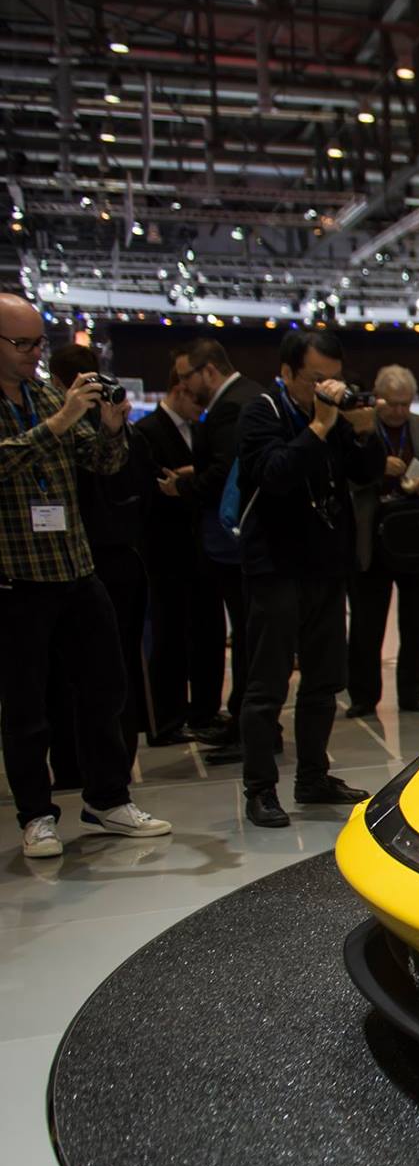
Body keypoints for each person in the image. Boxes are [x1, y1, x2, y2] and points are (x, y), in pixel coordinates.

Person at [0, 293, 171, 858]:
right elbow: (6, 462)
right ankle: (36, 814)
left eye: (37, 344)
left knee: (106, 686)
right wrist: (65, 417)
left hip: (75, 567)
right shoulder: (51, 405)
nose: (32, 355)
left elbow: (101, 463)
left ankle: (107, 798)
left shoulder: (47, 394)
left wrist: (112, 427)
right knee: (26, 705)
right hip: (15, 577)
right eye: (21, 345)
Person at [234, 330, 384, 828]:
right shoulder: (262, 412)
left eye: (333, 380)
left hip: (326, 564)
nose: (327, 389)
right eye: (316, 379)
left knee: (324, 681)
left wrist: (363, 431)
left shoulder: (335, 414)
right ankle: (259, 787)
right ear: (287, 372)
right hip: (276, 566)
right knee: (267, 684)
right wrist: (320, 426)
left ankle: (313, 776)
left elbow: (367, 474)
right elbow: (272, 475)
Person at [45, 346, 153, 772]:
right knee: (111, 668)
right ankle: (110, 764)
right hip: (111, 560)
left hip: (87, 563)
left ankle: (83, 765)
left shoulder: (98, 433)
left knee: (81, 671)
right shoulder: (63, 428)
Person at [135, 349, 228, 744]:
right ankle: (168, 719)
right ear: (179, 390)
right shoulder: (148, 432)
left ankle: (204, 712)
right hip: (168, 554)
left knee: (207, 634)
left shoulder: (201, 430)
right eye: (195, 397)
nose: (200, 406)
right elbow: (151, 493)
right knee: (170, 638)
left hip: (203, 551)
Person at [344, 364, 419, 717]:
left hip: (417, 537)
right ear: (377, 397)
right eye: (392, 404)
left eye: (406, 404)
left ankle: (413, 692)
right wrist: (376, 466)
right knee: (366, 623)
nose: (399, 411)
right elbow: (346, 475)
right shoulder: (357, 427)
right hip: (369, 537)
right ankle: (363, 695)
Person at [187, 337, 265, 749]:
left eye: (188, 376)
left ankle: (248, 724)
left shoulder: (235, 403)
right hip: (237, 540)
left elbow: (224, 473)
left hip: (234, 540)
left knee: (249, 635)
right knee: (249, 633)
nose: (185, 386)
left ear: (208, 370)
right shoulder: (249, 395)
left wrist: (185, 486)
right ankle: (245, 721)